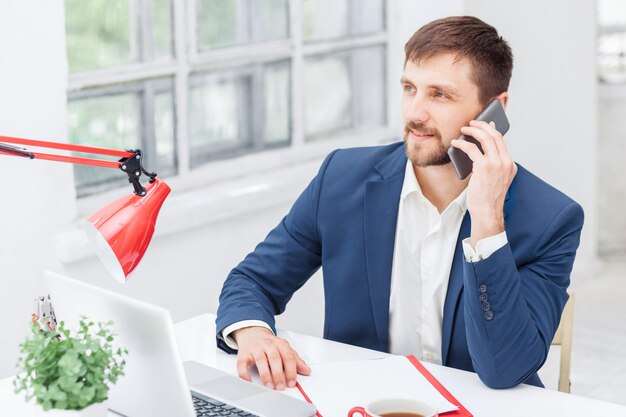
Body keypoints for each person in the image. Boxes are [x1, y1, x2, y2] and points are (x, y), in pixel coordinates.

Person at [215, 16, 584, 391]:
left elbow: (505, 369)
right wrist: (253, 332)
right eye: (410, 88)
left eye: (440, 94)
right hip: (361, 404)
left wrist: (488, 223)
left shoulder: (550, 220)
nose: (415, 113)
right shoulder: (342, 178)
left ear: (494, 109)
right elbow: (252, 280)